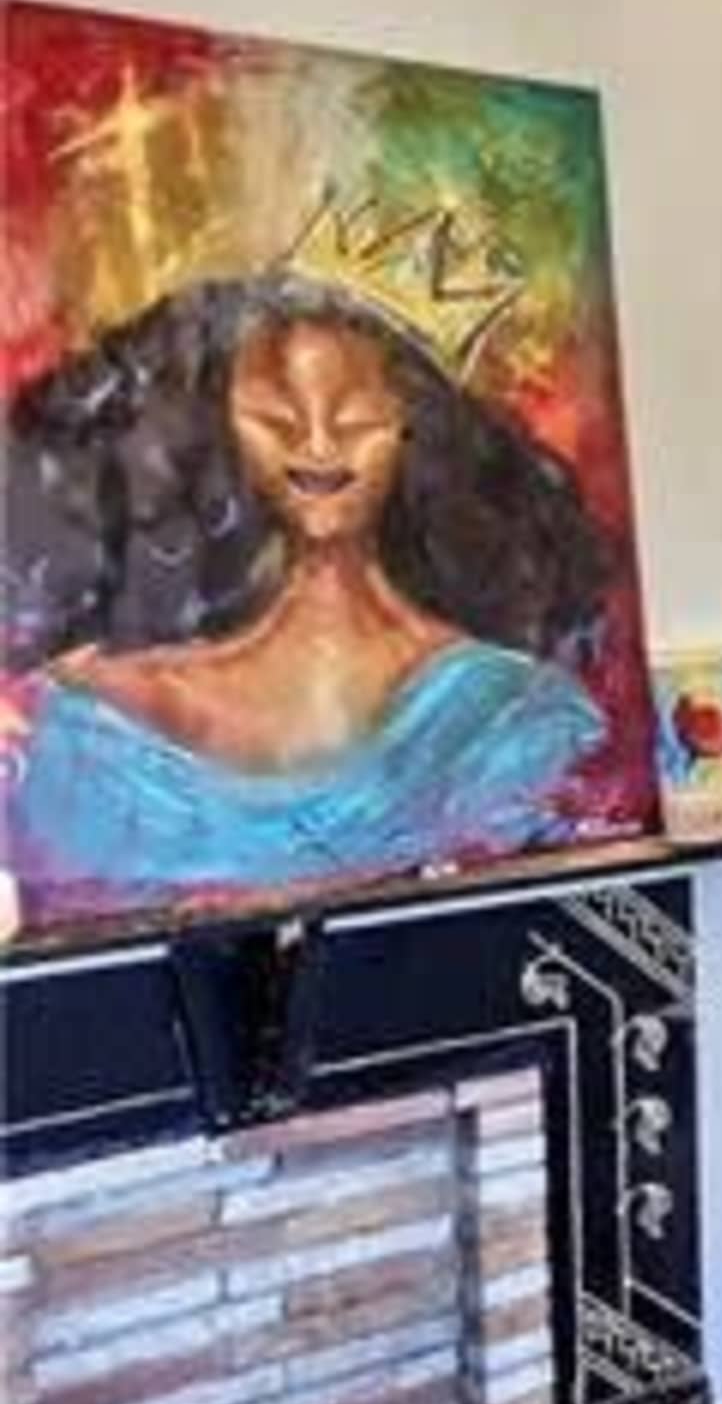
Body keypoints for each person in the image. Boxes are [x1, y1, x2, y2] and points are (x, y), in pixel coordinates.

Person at [1, 275, 619, 925]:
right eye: (275, 416)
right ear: (201, 429)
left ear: (416, 431)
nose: (318, 445)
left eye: (355, 418)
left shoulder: (506, 712)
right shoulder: (75, 717)